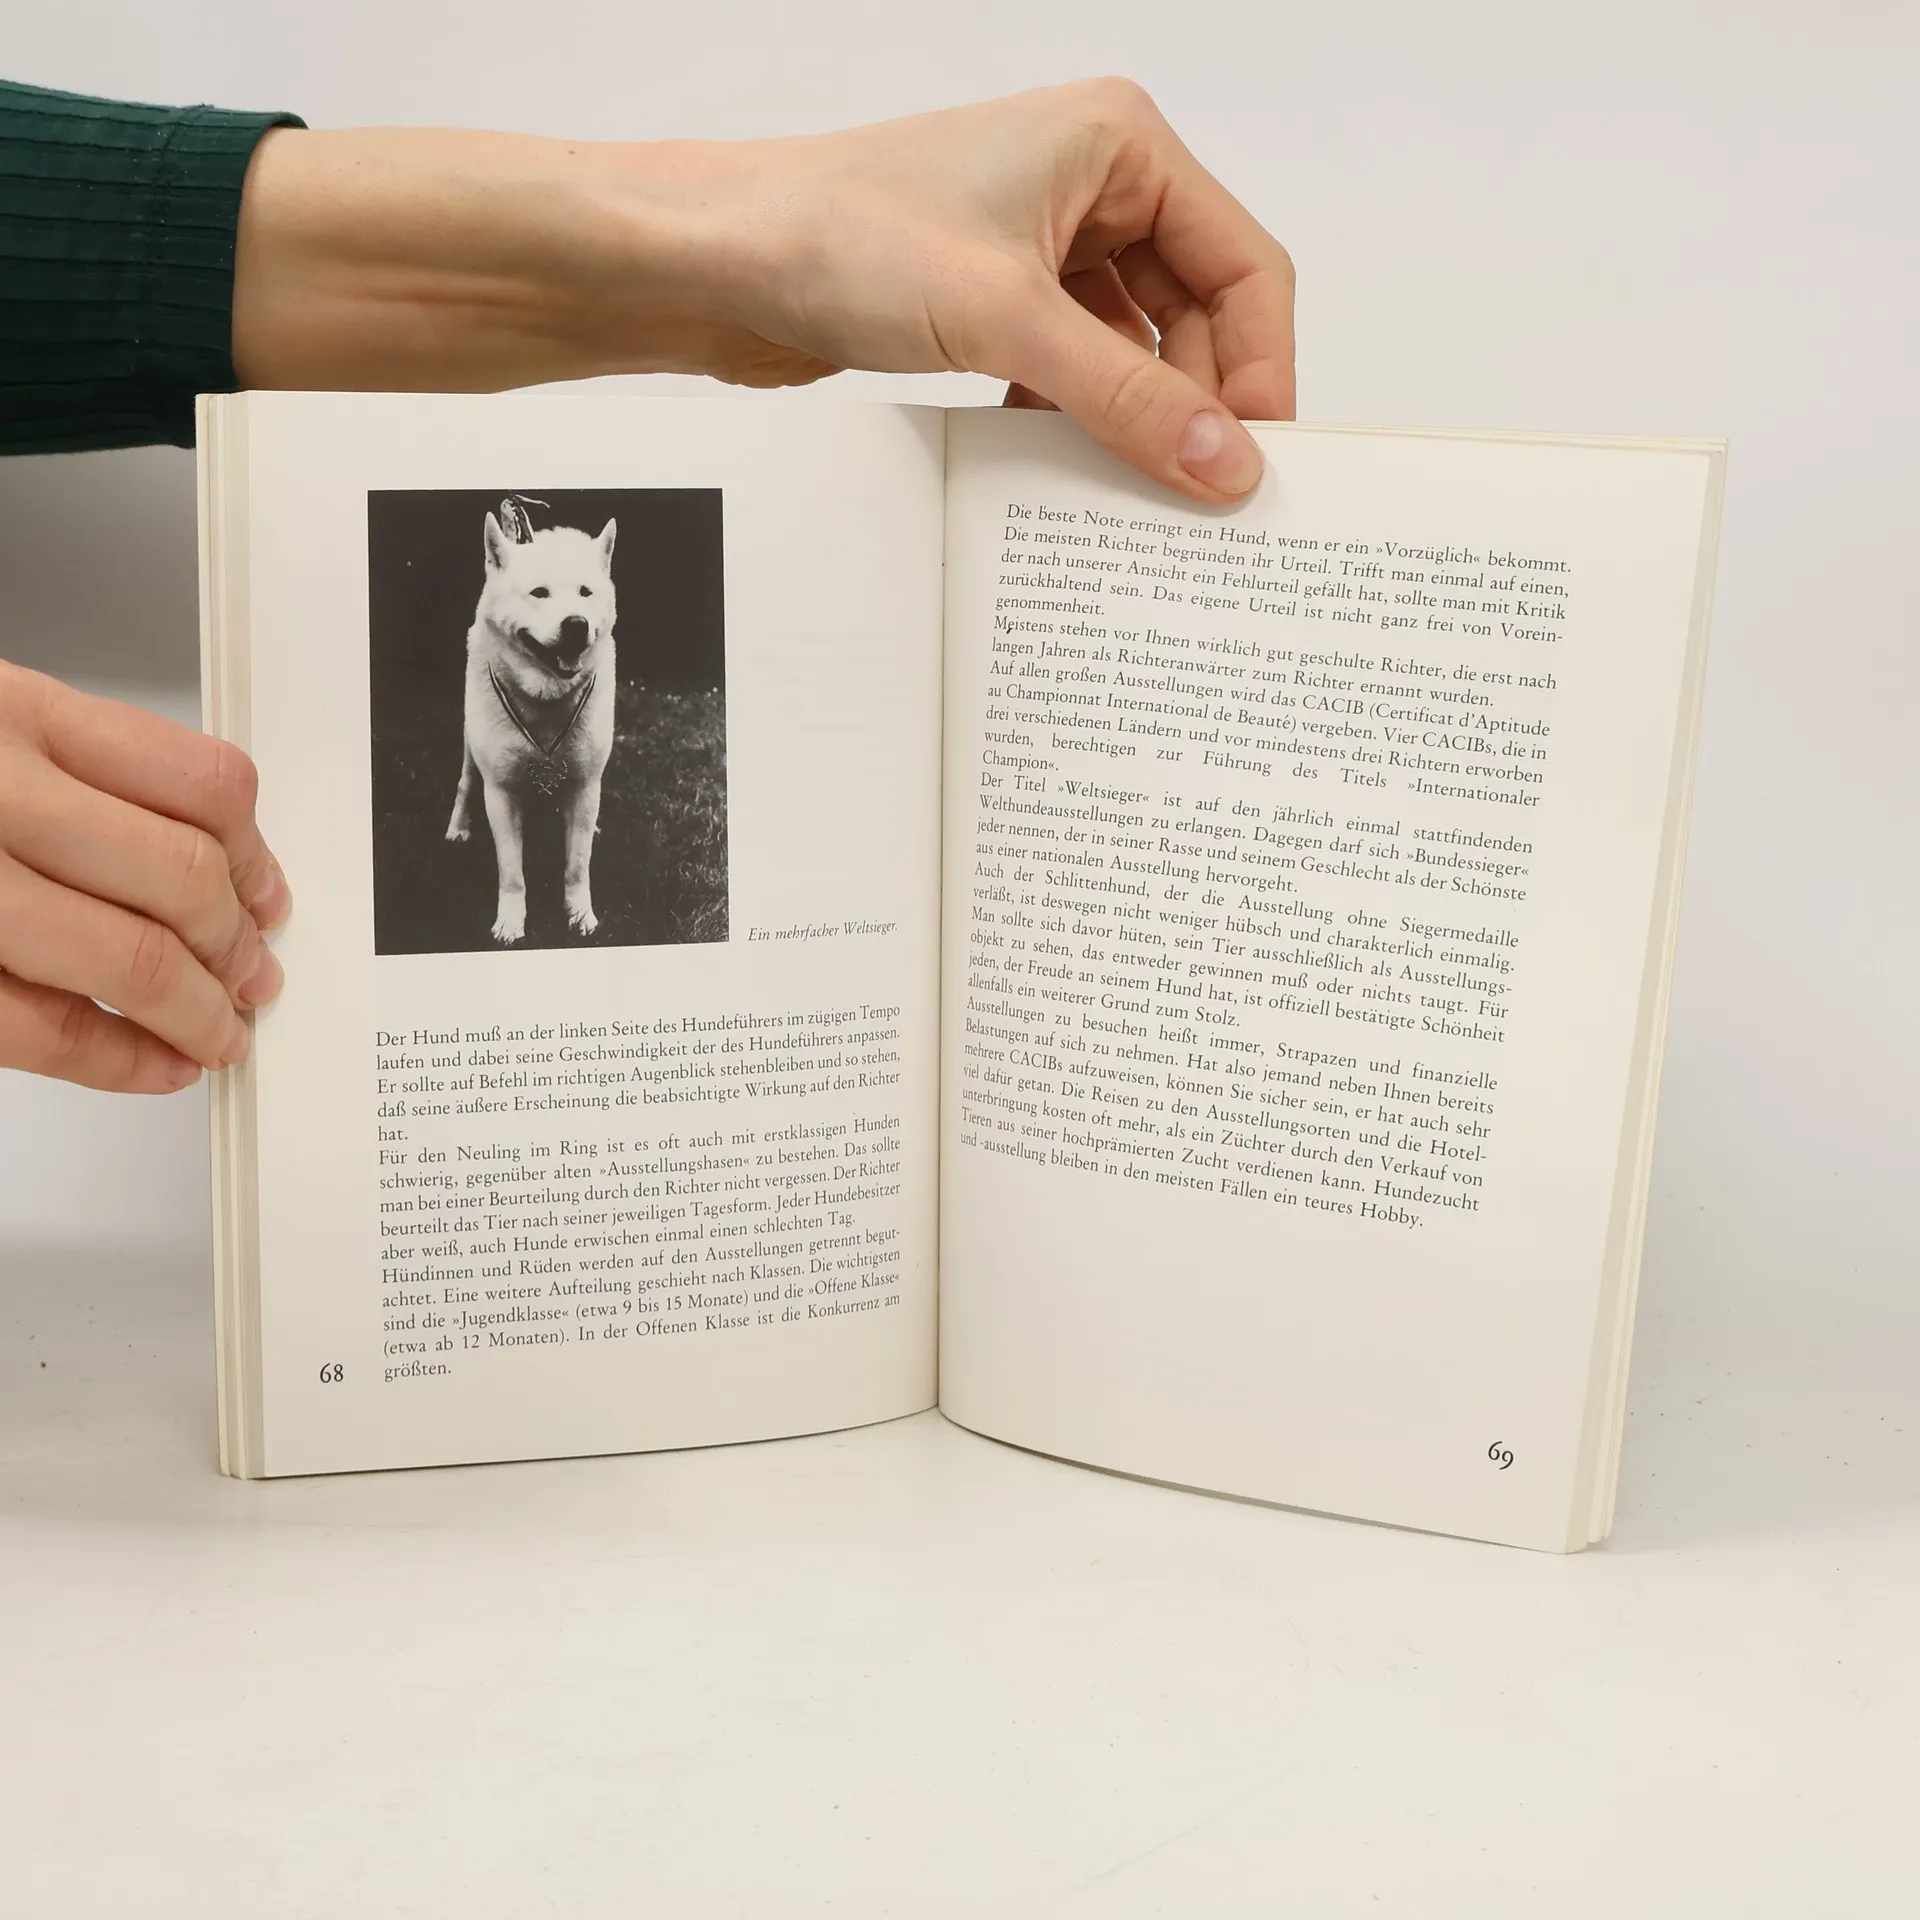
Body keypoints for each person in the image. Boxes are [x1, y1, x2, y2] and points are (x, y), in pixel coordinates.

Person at [0, 74, 1295, 1096]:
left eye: (581, 600)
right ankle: (511, 887)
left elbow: (124, 261)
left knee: (576, 785)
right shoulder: (501, 625)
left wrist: (753, 229)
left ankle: (566, 894)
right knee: (488, 780)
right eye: (542, 600)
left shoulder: (587, 630)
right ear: (501, 591)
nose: (566, 618)